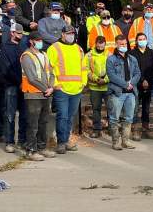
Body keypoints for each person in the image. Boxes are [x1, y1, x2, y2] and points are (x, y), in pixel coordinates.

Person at [47, 23, 84, 153]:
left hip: (76, 89)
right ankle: (61, 142)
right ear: (62, 34)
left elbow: (83, 67)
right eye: (68, 34)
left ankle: (66, 139)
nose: (70, 36)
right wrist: (55, 84)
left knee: (70, 116)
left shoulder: (79, 49)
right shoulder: (54, 48)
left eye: (72, 34)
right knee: (62, 116)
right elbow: (49, 68)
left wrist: (83, 83)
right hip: (61, 89)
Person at [19, 29, 55, 160]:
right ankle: (31, 150)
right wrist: (47, 89)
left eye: (41, 41)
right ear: (31, 42)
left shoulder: (44, 55)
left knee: (43, 122)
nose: (40, 43)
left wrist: (51, 87)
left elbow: (51, 72)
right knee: (33, 124)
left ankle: (42, 147)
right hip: (33, 94)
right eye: (38, 41)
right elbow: (31, 78)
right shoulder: (27, 56)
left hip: (46, 93)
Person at [105, 34, 140, 150]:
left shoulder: (132, 59)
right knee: (114, 118)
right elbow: (111, 75)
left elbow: (137, 74)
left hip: (130, 93)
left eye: (125, 44)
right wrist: (125, 84)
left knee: (129, 117)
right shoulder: (111, 59)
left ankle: (126, 140)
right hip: (117, 93)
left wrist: (131, 84)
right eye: (121, 44)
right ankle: (116, 142)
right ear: (116, 45)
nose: (124, 46)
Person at [0, 24, 27, 153]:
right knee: (10, 114)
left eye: (21, 33)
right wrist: (18, 81)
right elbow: (5, 68)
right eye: (18, 33)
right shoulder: (5, 47)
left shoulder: (24, 46)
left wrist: (24, 82)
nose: (20, 35)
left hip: (25, 85)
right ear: (12, 33)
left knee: (24, 114)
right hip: (11, 85)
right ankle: (9, 141)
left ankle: (22, 141)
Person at [131, 32, 153, 140]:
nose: (142, 40)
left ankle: (145, 129)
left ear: (147, 40)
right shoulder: (132, 53)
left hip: (149, 84)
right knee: (134, 108)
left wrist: (147, 80)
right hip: (136, 84)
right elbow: (133, 69)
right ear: (136, 41)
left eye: (144, 38)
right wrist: (142, 80)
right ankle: (134, 130)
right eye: (140, 39)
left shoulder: (152, 53)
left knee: (146, 108)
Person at [84, 34, 110, 138]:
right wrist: (96, 79)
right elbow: (86, 69)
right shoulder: (89, 55)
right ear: (95, 44)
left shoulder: (109, 55)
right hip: (94, 86)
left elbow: (113, 69)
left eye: (102, 46)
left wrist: (105, 80)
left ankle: (111, 129)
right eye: (98, 46)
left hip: (107, 86)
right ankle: (96, 129)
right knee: (96, 109)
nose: (100, 48)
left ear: (105, 45)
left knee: (111, 109)